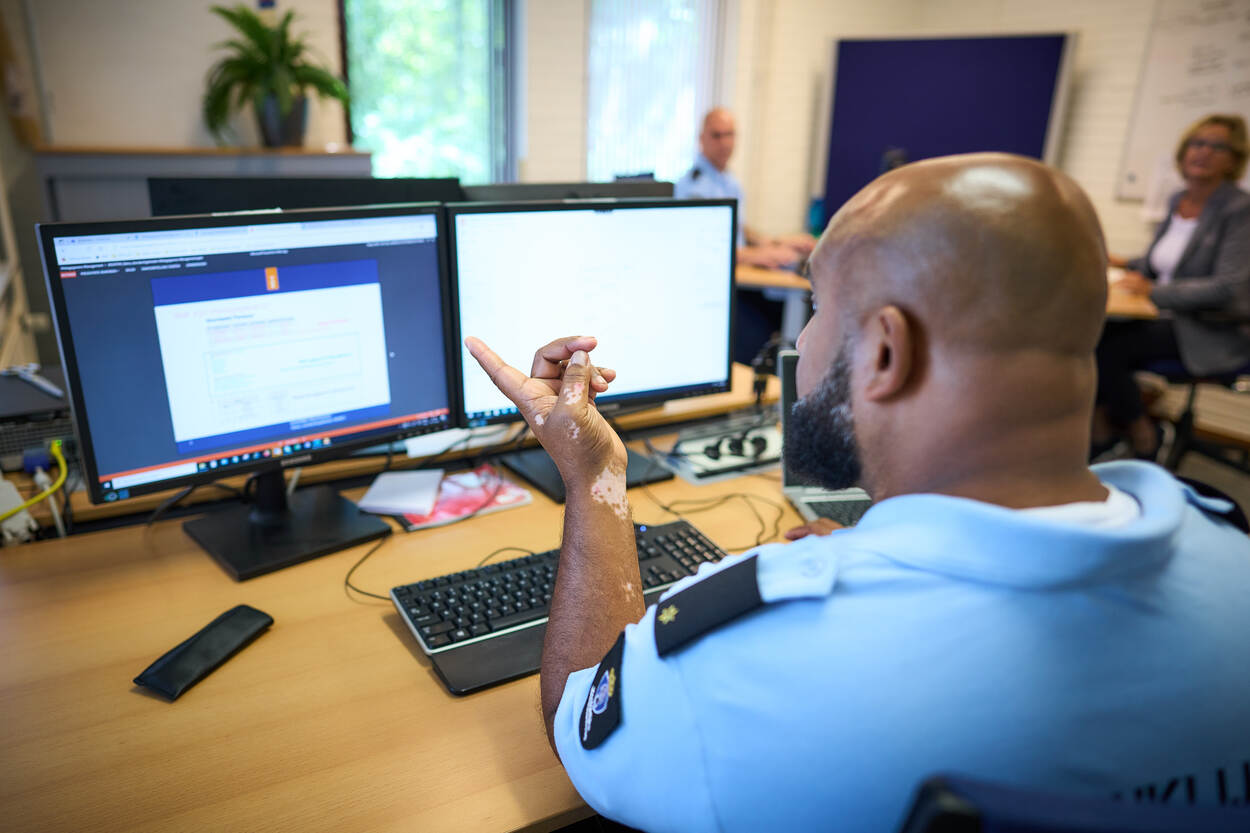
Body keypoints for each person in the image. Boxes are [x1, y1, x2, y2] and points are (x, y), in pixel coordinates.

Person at [464, 153, 1250, 832]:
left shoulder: (752, 661)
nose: (798, 343)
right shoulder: (1232, 563)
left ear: (883, 350)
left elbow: (578, 722)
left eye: (813, 311)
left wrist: (594, 473)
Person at [1094, 113, 1250, 459]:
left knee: (1107, 348)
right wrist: (1126, 263)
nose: (1204, 152)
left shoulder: (1239, 210)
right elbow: (1161, 262)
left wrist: (1152, 291)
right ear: (1183, 152)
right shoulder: (1177, 199)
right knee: (1094, 331)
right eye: (1198, 143)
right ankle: (1103, 427)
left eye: (1217, 146)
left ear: (1234, 159)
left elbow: (1228, 287)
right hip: (1163, 316)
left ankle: (1143, 435)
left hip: (1210, 328)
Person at [674, 107, 816, 269]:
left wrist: (775, 242)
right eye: (716, 135)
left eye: (729, 135)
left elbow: (739, 229)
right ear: (701, 139)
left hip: (739, 268)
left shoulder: (729, 180)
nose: (724, 143)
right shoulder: (693, 186)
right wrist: (755, 254)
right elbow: (701, 247)